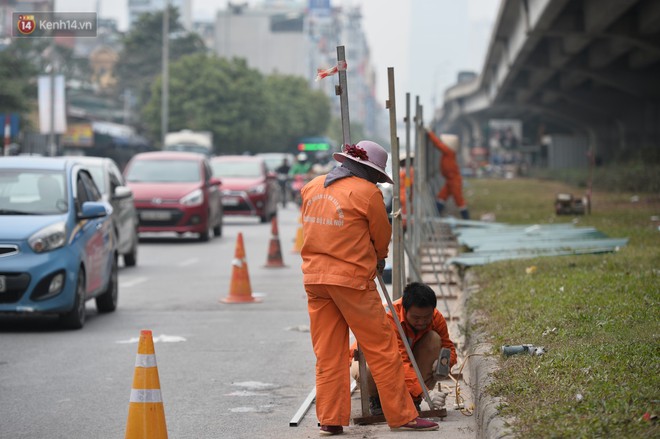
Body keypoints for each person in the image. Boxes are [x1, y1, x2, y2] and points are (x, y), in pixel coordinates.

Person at [300, 140, 439, 436]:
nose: (378, 180)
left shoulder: (312, 186)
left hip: (315, 280)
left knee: (328, 352)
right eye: (377, 174)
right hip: (351, 281)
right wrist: (378, 260)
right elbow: (381, 235)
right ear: (366, 169)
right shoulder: (368, 193)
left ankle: (330, 418)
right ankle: (402, 416)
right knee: (382, 348)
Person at [350, 282, 457, 416]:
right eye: (416, 318)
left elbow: (448, 347)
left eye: (426, 317)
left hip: (406, 362)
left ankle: (413, 399)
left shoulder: (436, 317)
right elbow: (401, 362)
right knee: (368, 369)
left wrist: (445, 364)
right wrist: (426, 393)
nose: (422, 322)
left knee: (434, 339)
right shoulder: (388, 318)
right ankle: (377, 399)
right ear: (405, 310)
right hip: (377, 361)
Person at [426, 130, 470, 219]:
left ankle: (466, 219)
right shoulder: (448, 153)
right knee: (442, 197)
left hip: (454, 180)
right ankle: (436, 216)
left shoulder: (448, 151)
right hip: (450, 180)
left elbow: (438, 144)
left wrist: (430, 134)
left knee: (459, 200)